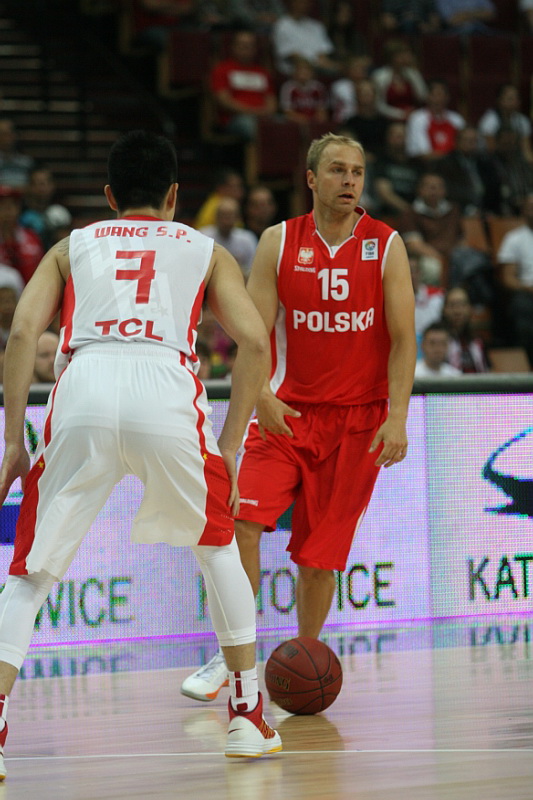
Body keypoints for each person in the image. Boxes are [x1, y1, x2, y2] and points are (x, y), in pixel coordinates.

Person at [0, 129, 282, 777]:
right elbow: (255, 343)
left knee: (30, 574)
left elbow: (21, 333)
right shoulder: (204, 249)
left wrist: (14, 440)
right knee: (216, 550)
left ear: (108, 195)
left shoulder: (71, 246)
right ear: (174, 196)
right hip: (165, 386)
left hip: (85, 386)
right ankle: (246, 716)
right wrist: (230, 445)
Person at [181, 132, 417, 702]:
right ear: (311, 178)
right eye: (337, 170)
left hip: (358, 424)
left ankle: (305, 664)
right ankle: (233, 654)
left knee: (317, 561)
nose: (349, 180)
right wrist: (261, 395)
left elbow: (404, 339)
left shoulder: (386, 245)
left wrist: (398, 418)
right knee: (238, 522)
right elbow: (253, 332)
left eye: (357, 171)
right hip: (286, 414)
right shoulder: (278, 241)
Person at [208, 28, 277, 142]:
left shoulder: (263, 72)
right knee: (251, 126)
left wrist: (264, 113)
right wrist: (252, 111)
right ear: (233, 47)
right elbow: (223, 100)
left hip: (263, 116)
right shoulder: (222, 70)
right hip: (235, 118)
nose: (246, 48)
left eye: (250, 45)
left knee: (284, 125)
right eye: (242, 45)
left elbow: (272, 102)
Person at [496, 193, 533, 365]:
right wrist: (528, 288)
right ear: (523, 211)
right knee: (521, 306)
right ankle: (527, 364)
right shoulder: (514, 238)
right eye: (530, 207)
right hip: (526, 292)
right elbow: (508, 278)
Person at [434, 125, 502, 216]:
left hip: (486, 209)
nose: (470, 143)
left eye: (474, 140)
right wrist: (467, 209)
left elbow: (494, 187)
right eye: (466, 140)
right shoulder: (446, 163)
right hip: (459, 210)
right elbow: (449, 191)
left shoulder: (485, 162)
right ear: (456, 141)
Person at [271, 0, 340, 77]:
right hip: (293, 72)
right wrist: (316, 63)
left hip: (319, 70)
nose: (304, 5)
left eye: (307, 2)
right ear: (292, 2)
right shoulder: (282, 25)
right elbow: (291, 56)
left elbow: (323, 54)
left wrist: (326, 64)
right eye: (301, 1)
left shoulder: (317, 26)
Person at [405, 79, 466, 162]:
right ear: (427, 97)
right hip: (426, 165)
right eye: (434, 95)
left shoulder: (457, 119)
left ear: (447, 97)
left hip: (455, 165)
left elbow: (465, 148)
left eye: (441, 95)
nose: (437, 99)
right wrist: (448, 157)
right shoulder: (417, 119)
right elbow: (422, 153)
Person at [200, 196, 258, 278]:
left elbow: (253, 271)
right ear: (216, 217)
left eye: (230, 215)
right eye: (223, 215)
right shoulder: (203, 236)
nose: (226, 220)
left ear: (238, 218)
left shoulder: (248, 239)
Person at [371, 40, 427, 122]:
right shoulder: (379, 76)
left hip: (412, 117)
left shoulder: (413, 74)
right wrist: (400, 114)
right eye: (402, 55)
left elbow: (423, 97)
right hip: (387, 118)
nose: (407, 57)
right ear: (392, 57)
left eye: (407, 55)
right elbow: (378, 104)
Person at [478, 84, 533, 165]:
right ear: (500, 100)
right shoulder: (490, 120)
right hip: (490, 161)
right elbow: (491, 149)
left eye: (516, 98)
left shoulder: (522, 120)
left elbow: (526, 150)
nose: (514, 102)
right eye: (510, 98)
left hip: (515, 161)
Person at [0, 185, 44, 286]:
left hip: (32, 292)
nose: (8, 210)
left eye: (12, 205)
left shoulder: (32, 238)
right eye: (3, 205)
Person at [441, 285, 489, 372]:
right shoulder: (437, 340)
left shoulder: (478, 340)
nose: (457, 311)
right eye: (452, 305)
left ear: (470, 308)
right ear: (444, 309)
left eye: (462, 305)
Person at [279, 56, 329, 127]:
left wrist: (315, 121)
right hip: (295, 124)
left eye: (306, 70)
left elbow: (322, 111)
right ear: (294, 72)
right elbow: (288, 112)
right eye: (300, 70)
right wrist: (305, 120)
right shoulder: (288, 87)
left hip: (314, 122)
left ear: (311, 72)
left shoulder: (318, 87)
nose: (303, 73)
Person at [0, 117, 34, 190]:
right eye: (2, 134)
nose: (5, 138)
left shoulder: (27, 162)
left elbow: (33, 187)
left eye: (8, 133)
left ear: (15, 135)